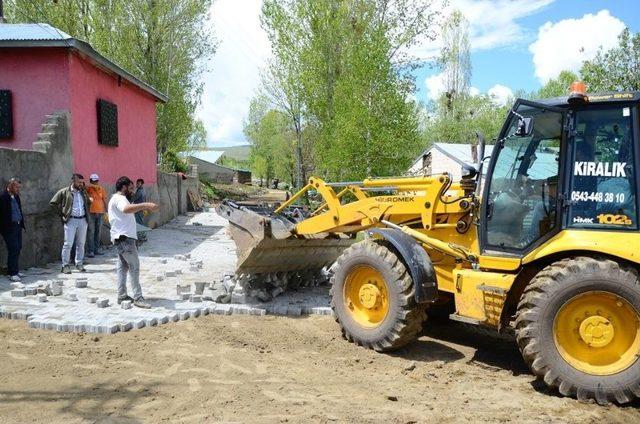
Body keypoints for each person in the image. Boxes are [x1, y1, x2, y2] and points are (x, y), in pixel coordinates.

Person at [109, 176, 158, 308]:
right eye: (130, 188)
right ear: (124, 187)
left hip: (121, 238)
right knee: (134, 267)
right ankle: (138, 297)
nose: (133, 191)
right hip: (125, 239)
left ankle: (121, 295)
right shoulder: (120, 199)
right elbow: (126, 209)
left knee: (122, 267)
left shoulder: (118, 198)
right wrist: (145, 205)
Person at [50, 174, 91, 274]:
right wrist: (62, 214)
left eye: (82, 182)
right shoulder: (65, 192)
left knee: (81, 244)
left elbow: (87, 203)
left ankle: (79, 263)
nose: (81, 184)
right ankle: (65, 265)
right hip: (71, 220)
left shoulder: (83, 192)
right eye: (79, 182)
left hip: (83, 220)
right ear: (73, 181)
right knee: (68, 244)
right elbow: (53, 203)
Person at [0, 178, 25, 282]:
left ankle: (15, 270)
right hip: (8, 228)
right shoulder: (3, 197)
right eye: (16, 187)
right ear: (10, 186)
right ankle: (12, 273)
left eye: (19, 187)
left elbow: (18, 209)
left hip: (17, 225)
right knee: (13, 248)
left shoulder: (16, 196)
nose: (18, 189)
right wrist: (5, 227)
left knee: (18, 247)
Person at [85, 174, 108, 258]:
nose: (95, 182)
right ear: (90, 181)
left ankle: (96, 249)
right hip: (91, 213)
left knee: (98, 232)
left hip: (100, 213)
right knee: (91, 232)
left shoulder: (101, 189)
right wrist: (92, 186)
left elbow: (104, 200)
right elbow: (84, 186)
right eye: (93, 181)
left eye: (96, 181)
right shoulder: (88, 188)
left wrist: (107, 211)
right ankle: (90, 251)